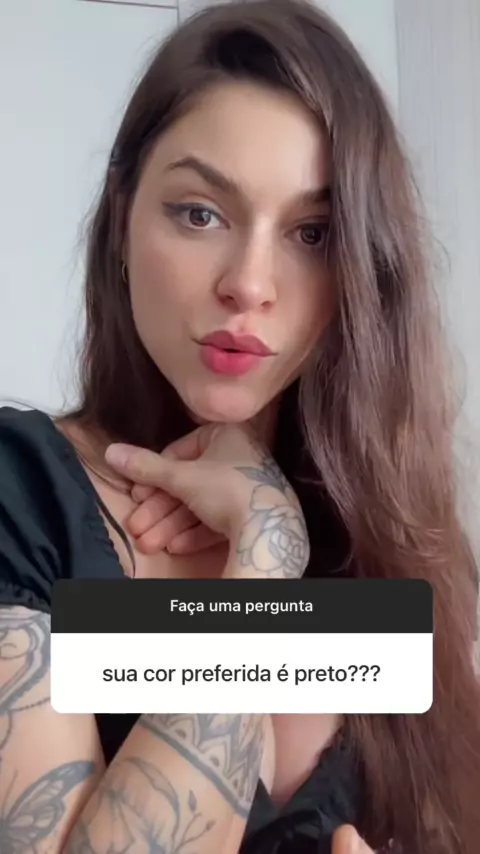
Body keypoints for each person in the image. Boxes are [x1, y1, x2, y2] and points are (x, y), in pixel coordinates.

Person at [0, 0, 478, 851]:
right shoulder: (20, 494)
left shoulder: (394, 536)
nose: (250, 283)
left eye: (312, 232)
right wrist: (263, 552)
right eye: (201, 213)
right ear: (122, 216)